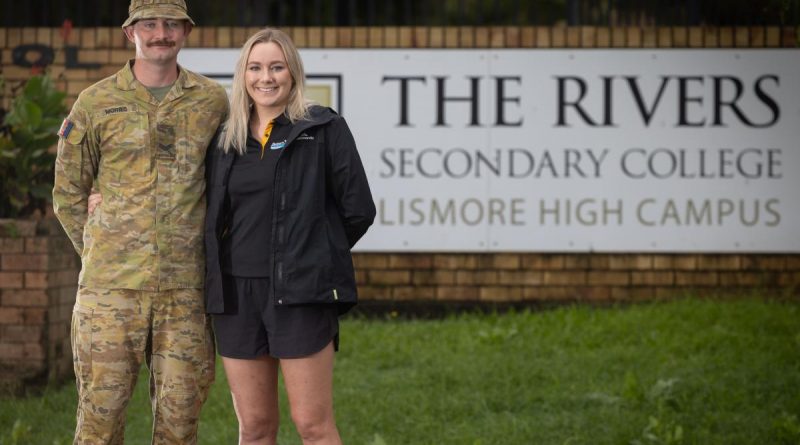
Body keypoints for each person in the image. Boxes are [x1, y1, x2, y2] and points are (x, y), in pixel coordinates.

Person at [52, 0, 228, 443]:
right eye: (149, 24)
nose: (161, 33)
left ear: (186, 31)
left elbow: (228, 183)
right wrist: (102, 245)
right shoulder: (95, 103)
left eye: (171, 24)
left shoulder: (212, 102)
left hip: (185, 292)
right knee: (100, 422)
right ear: (129, 32)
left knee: (180, 422)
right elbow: (68, 194)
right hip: (109, 293)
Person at [204, 28, 375, 444]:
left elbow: (358, 210)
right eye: (256, 67)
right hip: (236, 296)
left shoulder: (323, 129)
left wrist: (311, 256)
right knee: (255, 426)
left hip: (301, 294)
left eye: (277, 67)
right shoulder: (226, 138)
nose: (267, 77)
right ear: (243, 74)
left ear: (293, 73)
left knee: (312, 425)